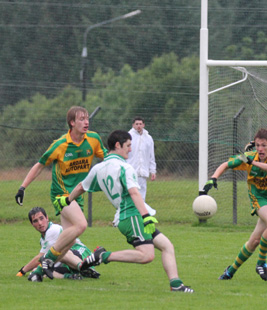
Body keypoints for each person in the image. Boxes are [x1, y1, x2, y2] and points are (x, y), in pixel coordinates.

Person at [66, 130, 193, 293]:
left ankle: (176, 284)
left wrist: (67, 201)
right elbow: (134, 193)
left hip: (128, 216)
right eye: (128, 145)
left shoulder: (98, 168)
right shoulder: (125, 168)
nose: (130, 149)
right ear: (117, 145)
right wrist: (146, 216)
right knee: (147, 255)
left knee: (167, 246)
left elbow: (80, 187)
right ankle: (103, 256)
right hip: (132, 215)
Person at [14, 106, 107, 280]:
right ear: (72, 123)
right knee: (81, 225)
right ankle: (47, 260)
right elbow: (40, 165)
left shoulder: (93, 139)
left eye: (87, 118)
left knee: (68, 241)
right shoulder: (60, 145)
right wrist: (22, 187)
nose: (86, 122)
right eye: (81, 119)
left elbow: (107, 159)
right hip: (61, 196)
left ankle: (38, 273)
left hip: (77, 196)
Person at [202, 128, 267, 281]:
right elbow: (226, 164)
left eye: (264, 146)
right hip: (258, 198)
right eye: (257, 145)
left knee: (254, 242)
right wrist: (213, 178)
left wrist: (252, 162)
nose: (260, 149)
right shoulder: (248, 157)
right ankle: (261, 264)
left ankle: (230, 271)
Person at [17, 207, 100, 282]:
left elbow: (41, 257)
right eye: (35, 221)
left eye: (41, 218)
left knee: (62, 254)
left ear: (47, 218)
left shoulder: (53, 230)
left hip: (80, 252)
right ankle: (70, 276)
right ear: (32, 224)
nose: (40, 223)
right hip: (68, 260)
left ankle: (84, 267)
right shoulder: (43, 238)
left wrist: (22, 271)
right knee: (42, 269)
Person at [126, 117, 157, 215]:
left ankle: (140, 216)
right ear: (133, 125)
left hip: (142, 172)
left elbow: (151, 155)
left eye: (140, 124)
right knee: (130, 195)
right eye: (136, 124)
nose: (138, 126)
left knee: (141, 196)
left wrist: (153, 170)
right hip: (131, 171)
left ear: (144, 125)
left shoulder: (148, 138)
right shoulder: (128, 137)